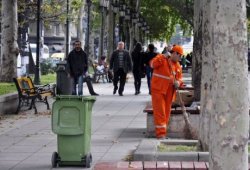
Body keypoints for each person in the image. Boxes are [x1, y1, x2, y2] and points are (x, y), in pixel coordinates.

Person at [150, 45, 184, 139]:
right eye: (179, 55)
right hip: (158, 90)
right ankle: (160, 134)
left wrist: (178, 82)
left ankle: (163, 133)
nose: (180, 58)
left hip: (169, 91)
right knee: (160, 112)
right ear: (174, 53)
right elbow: (152, 64)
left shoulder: (177, 66)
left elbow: (180, 78)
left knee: (166, 112)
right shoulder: (162, 59)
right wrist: (162, 56)